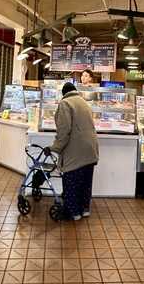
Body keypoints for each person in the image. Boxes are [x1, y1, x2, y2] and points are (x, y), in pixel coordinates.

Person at [45, 82, 99, 220]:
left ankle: (73, 213)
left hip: (76, 151)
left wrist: (54, 148)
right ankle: (85, 209)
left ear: (64, 93)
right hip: (90, 149)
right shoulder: (84, 102)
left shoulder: (65, 104)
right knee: (86, 182)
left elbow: (64, 131)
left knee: (71, 182)